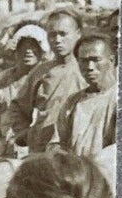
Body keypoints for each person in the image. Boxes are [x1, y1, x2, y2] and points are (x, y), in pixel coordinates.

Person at [15, 8, 86, 153]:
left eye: (63, 34)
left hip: (78, 147)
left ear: (78, 34)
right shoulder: (40, 72)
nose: (57, 40)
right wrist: (23, 132)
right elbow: (18, 107)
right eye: (52, 35)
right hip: (43, 148)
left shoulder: (89, 69)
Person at [0, 27, 46, 157]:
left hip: (39, 151)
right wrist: (0, 148)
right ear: (15, 50)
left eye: (34, 46)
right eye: (23, 46)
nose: (28, 51)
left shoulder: (48, 79)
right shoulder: (1, 80)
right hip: (8, 148)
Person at [55, 34, 118, 157]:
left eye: (96, 60)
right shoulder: (72, 102)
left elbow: (119, 150)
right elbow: (57, 142)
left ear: (111, 61)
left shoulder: (119, 99)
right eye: (83, 61)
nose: (89, 67)